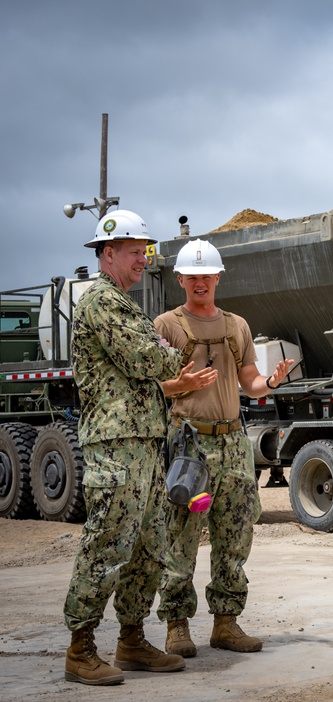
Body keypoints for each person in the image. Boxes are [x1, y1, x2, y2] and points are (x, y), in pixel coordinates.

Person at [154, 238, 295, 657]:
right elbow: (153, 385)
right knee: (181, 536)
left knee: (235, 535)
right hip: (188, 445)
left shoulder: (237, 326)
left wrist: (272, 382)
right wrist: (182, 384)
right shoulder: (166, 326)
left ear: (218, 278)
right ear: (180, 279)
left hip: (233, 442)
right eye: (192, 276)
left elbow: (249, 383)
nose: (200, 282)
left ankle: (226, 623)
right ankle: (177, 626)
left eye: (207, 275)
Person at [63, 210, 186, 686]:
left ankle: (131, 640)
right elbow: (147, 356)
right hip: (115, 445)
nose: (143, 260)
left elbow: (151, 355)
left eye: (145, 251)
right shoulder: (100, 300)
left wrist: (158, 347)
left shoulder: (124, 304)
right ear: (107, 252)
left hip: (145, 442)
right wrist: (163, 349)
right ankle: (80, 648)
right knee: (108, 543)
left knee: (148, 545)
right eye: (135, 252)